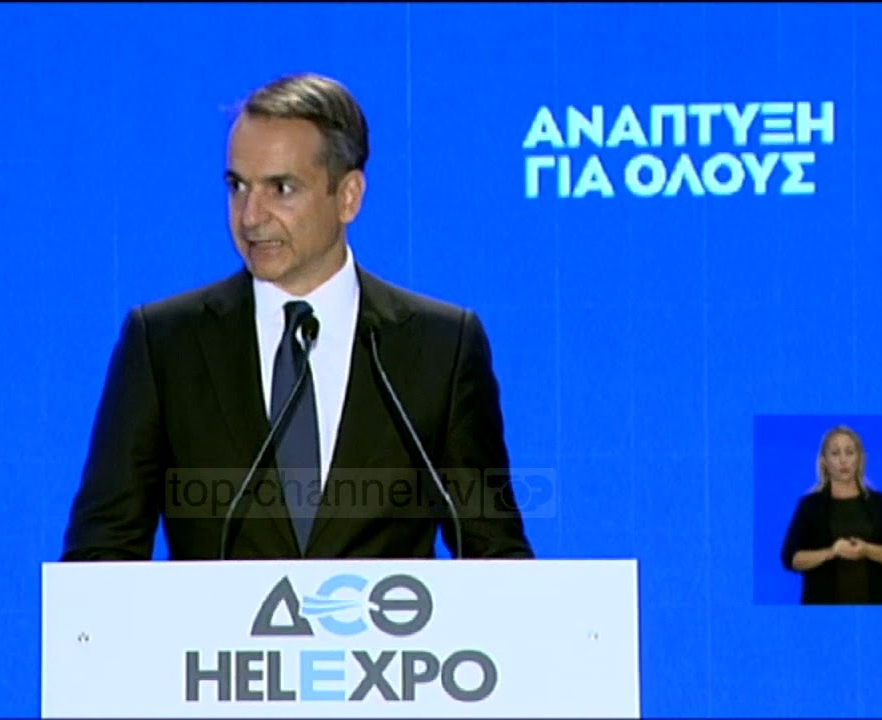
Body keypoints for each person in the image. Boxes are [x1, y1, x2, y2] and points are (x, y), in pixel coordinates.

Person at [61, 72, 535, 561]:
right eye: (237, 186)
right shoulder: (164, 344)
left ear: (348, 196)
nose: (250, 216)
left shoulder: (441, 347)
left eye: (281, 188)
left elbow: (495, 555)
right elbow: (101, 556)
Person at [778, 425, 882, 604]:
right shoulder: (809, 505)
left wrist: (867, 550)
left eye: (849, 452)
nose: (843, 460)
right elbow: (790, 558)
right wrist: (831, 552)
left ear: (860, 458)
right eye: (835, 453)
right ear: (824, 461)